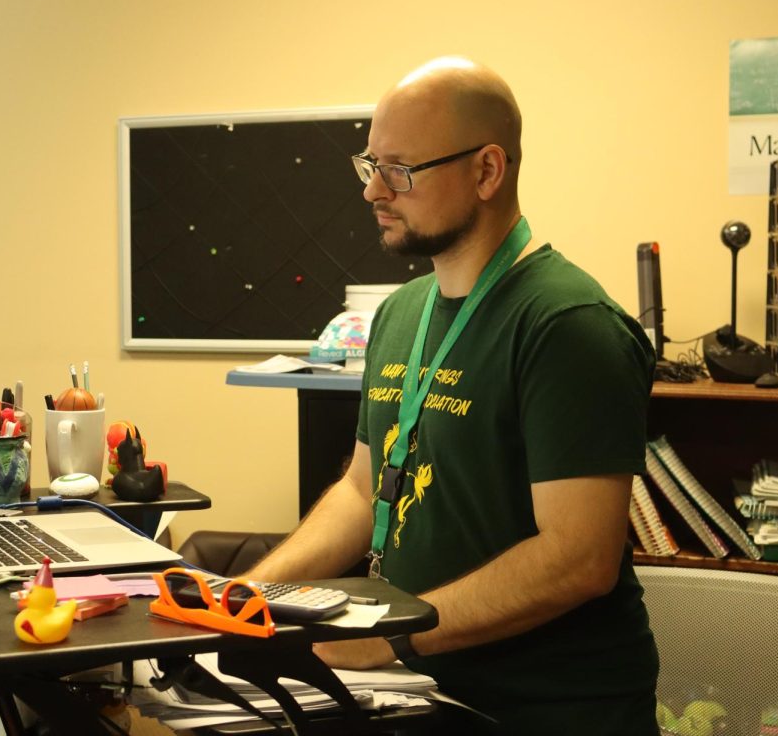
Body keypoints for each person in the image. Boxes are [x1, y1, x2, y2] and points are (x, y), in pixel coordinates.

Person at [247, 57, 660, 735]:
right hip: (416, 695)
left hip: (543, 711)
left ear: (487, 171)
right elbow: (361, 490)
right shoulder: (402, 313)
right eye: (369, 164)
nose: (373, 191)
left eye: (400, 170)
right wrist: (249, 595)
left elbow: (579, 558)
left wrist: (390, 638)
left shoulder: (568, 326)